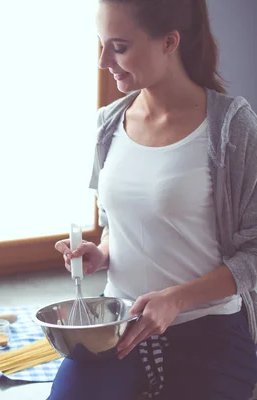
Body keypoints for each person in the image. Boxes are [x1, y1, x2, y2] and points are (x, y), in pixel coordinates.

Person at [50, 0, 257, 399]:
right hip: (116, 327)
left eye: (120, 46)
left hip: (208, 330)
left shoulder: (232, 128)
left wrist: (176, 299)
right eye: (100, 43)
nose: (103, 60)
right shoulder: (109, 123)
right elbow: (118, 225)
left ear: (169, 43)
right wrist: (103, 252)